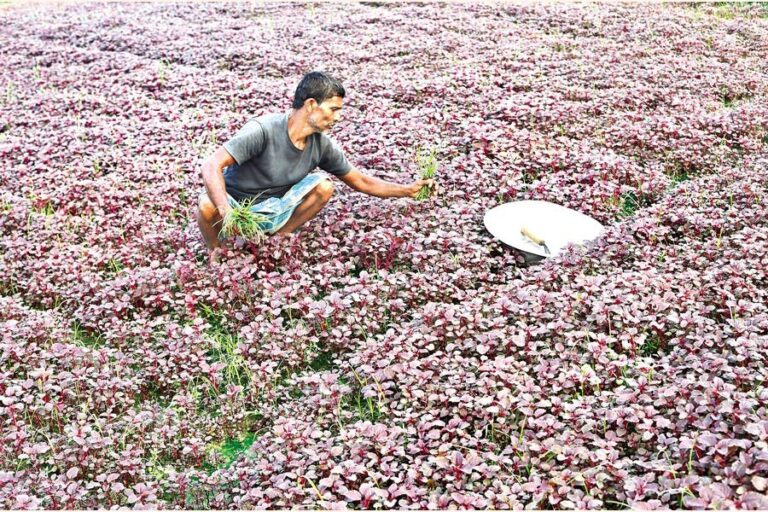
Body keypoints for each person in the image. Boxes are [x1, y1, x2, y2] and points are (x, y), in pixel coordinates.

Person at [197, 71, 436, 264]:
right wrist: (227, 211)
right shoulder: (263, 130)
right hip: (238, 208)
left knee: (324, 186)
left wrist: (408, 190)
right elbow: (211, 165)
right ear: (311, 104)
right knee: (207, 205)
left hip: (276, 208)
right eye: (334, 109)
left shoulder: (322, 145)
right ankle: (216, 251)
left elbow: (360, 181)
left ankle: (278, 237)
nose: (338, 117)